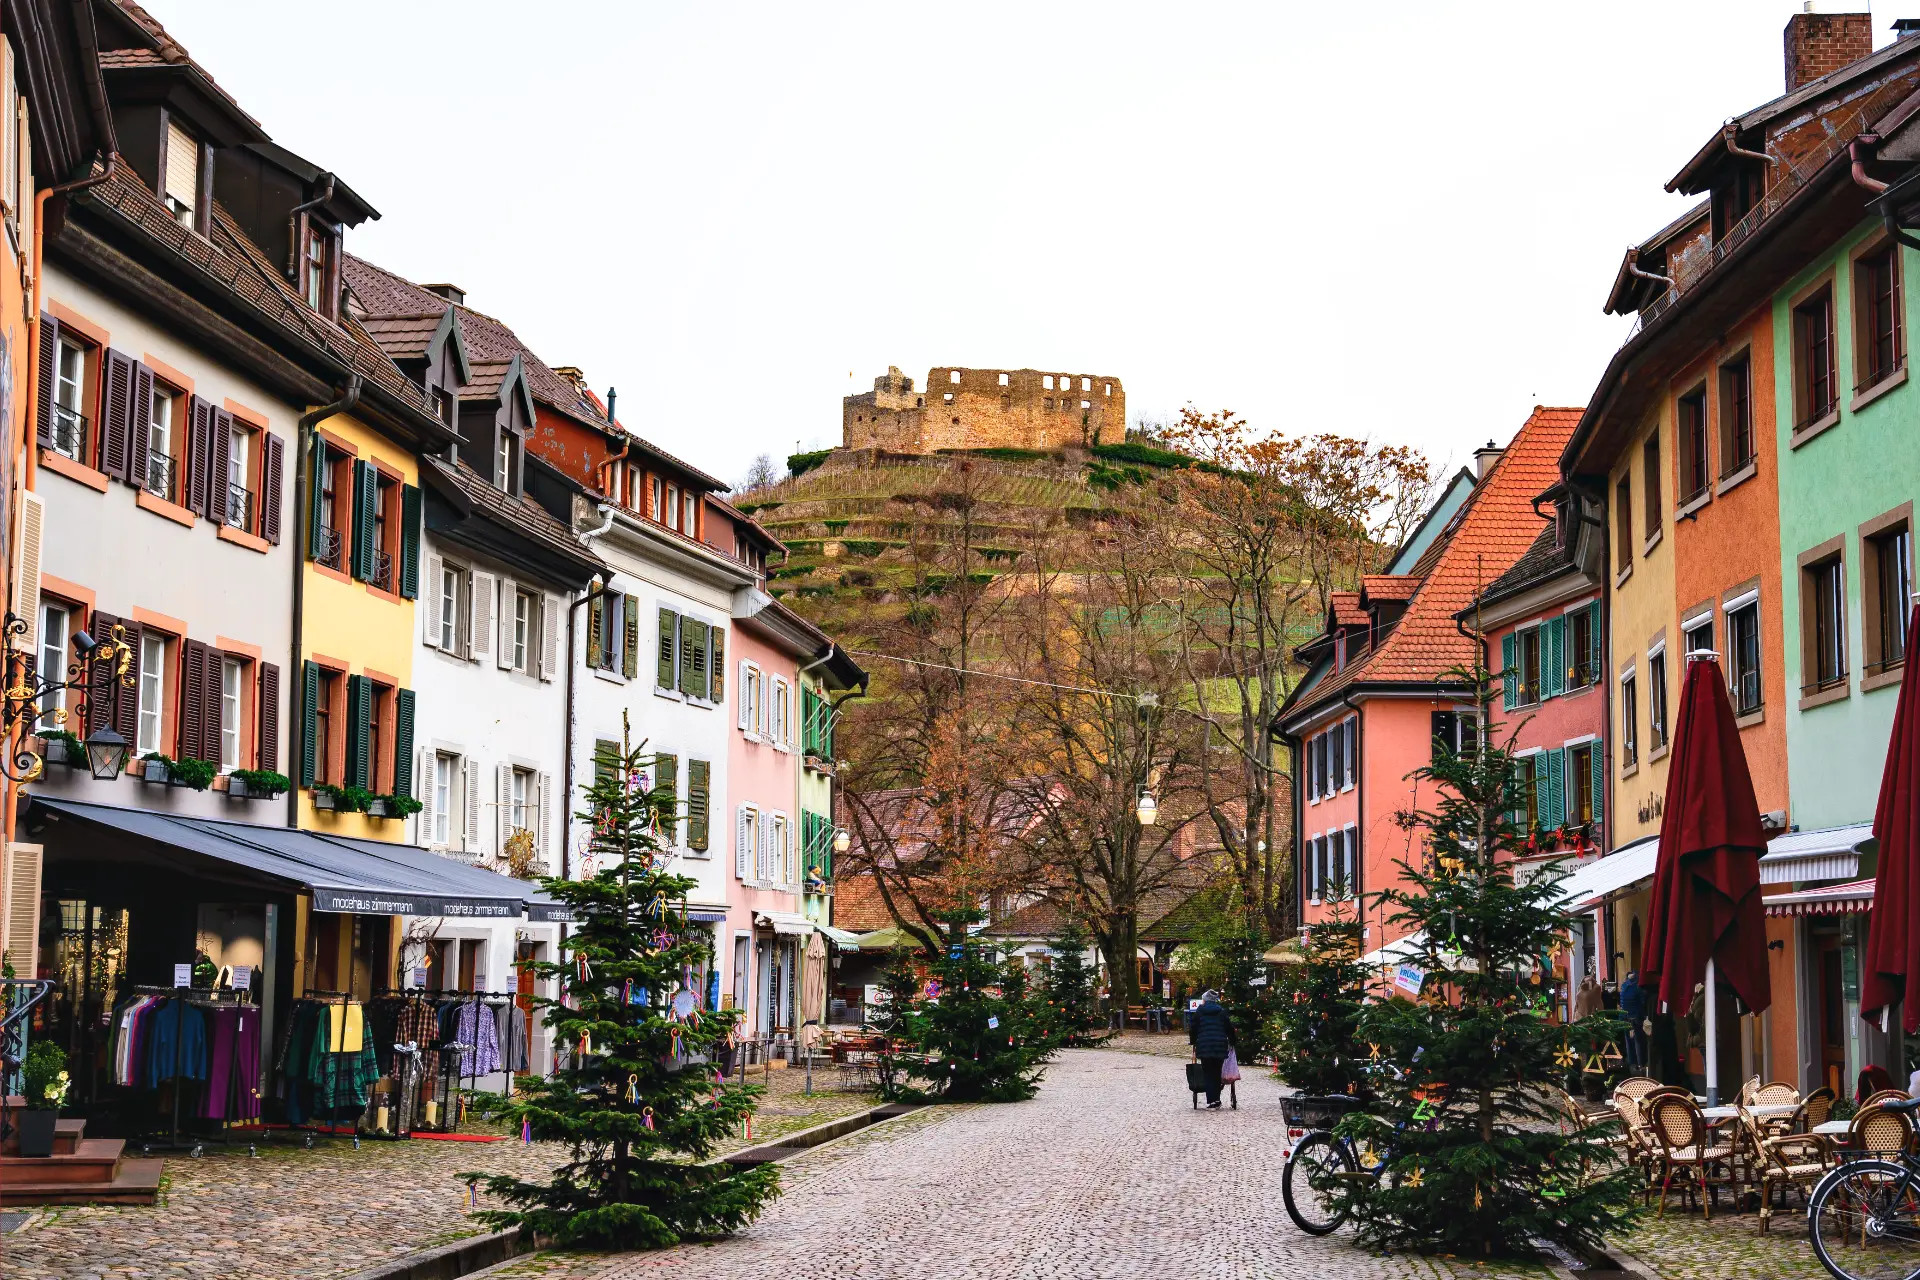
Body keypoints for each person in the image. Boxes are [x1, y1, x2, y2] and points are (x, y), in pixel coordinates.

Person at [1187, 988, 1235, 1109]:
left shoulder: (1200, 1012)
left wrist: (1193, 1041)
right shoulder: (1221, 1011)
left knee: (1208, 1073)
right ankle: (1216, 1099)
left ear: (1205, 1000)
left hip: (1204, 1045)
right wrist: (1233, 1041)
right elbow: (1229, 1028)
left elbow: (1193, 1028)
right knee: (1217, 1072)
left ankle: (1212, 1100)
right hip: (1220, 1045)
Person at [1618, 971, 1646, 1069]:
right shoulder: (1638, 987)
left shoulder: (1624, 986)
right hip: (1635, 1019)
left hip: (1626, 1018)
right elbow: (1642, 1004)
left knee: (1629, 1042)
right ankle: (1640, 1064)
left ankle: (1632, 1064)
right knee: (1638, 1042)